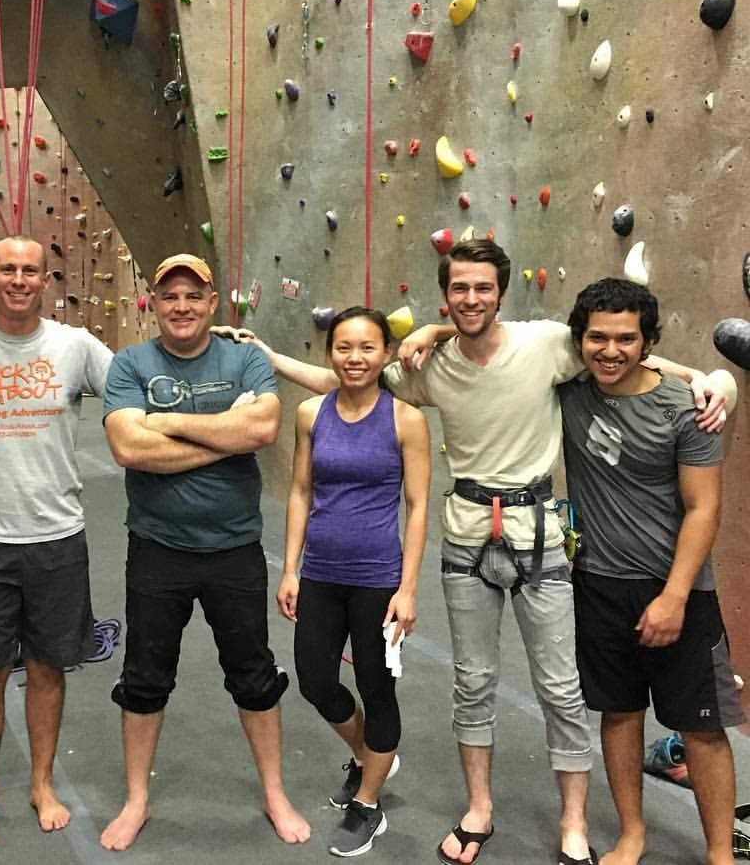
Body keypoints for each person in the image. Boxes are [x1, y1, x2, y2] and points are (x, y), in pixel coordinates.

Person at [228, 239, 730, 865]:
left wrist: (708, 377)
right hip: (467, 535)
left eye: (483, 288)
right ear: (445, 295)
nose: (471, 299)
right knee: (473, 682)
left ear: (501, 292)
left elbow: (625, 355)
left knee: (560, 686)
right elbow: (347, 380)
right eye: (459, 290)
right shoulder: (429, 365)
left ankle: (574, 822)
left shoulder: (548, 343)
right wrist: (275, 358)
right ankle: (479, 809)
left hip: (539, 534)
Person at [100, 253, 311, 852]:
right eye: (170, 297)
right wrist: (225, 434)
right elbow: (129, 450)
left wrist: (161, 423)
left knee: (254, 677)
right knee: (144, 679)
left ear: (212, 302)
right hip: (157, 548)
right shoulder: (130, 362)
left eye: (194, 295)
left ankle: (274, 791)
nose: (183, 306)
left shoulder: (244, 356)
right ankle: (137, 799)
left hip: (234, 548)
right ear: (154, 304)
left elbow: (263, 430)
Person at [0, 234, 113, 848]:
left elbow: (140, 384)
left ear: (44, 280)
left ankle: (41, 782)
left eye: (30, 270)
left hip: (58, 536)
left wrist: (220, 352)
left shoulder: (75, 346)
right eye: (8, 268)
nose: (18, 279)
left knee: (47, 670)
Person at [560, 278, 742, 865]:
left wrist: (674, 597)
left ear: (648, 341)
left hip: (679, 591)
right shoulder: (570, 392)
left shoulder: (686, 407)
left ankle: (718, 854)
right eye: (597, 338)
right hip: (598, 585)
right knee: (618, 713)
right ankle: (632, 835)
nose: (610, 351)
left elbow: (703, 507)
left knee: (704, 728)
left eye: (626, 339)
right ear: (579, 339)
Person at [280, 306, 431, 857]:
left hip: (377, 581)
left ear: (385, 355)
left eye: (367, 347)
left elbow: (417, 508)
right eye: (344, 347)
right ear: (330, 354)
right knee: (316, 682)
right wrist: (290, 568)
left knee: (377, 687)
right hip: (320, 573)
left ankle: (368, 803)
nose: (355, 358)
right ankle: (373, 756)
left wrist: (407, 588)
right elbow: (299, 491)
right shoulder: (309, 414)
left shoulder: (405, 420)